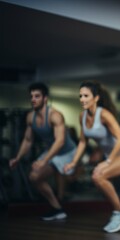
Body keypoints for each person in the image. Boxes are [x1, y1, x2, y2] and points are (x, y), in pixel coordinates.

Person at [64, 81, 120, 233]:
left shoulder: (104, 114)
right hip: (112, 155)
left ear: (96, 98)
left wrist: (108, 161)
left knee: (98, 176)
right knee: (98, 177)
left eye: (86, 96)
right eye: (80, 96)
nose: (82, 99)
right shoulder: (82, 116)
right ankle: (119, 212)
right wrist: (73, 162)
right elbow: (83, 141)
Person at [9, 82, 77, 221]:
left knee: (48, 173)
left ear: (45, 98)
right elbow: (28, 140)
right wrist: (18, 157)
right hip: (52, 151)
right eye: (31, 96)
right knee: (34, 177)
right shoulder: (30, 117)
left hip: (67, 152)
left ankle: (59, 203)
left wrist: (44, 161)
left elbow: (60, 141)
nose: (33, 99)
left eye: (37, 96)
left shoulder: (55, 115)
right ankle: (57, 208)